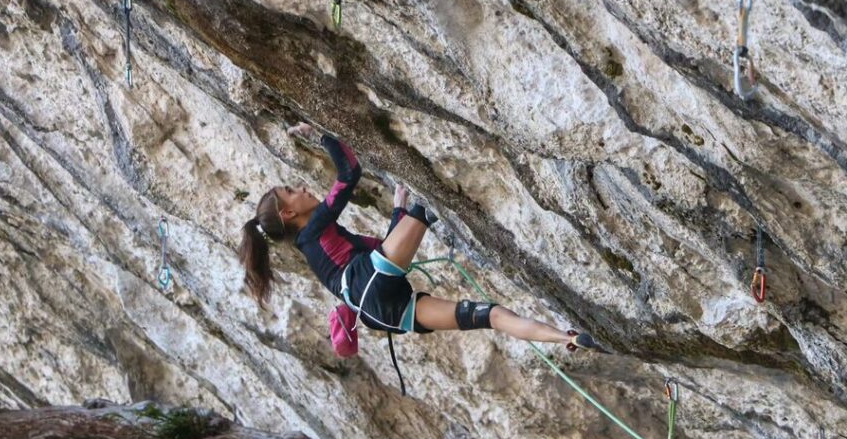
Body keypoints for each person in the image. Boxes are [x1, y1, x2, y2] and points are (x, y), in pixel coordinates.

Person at [238, 123, 599, 350]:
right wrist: (321, 134)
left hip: (383, 312)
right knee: (430, 198)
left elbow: (381, 252)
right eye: (291, 189)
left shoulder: (316, 250)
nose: (300, 186)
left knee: (490, 316)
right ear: (289, 213)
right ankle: (563, 336)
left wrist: (399, 211)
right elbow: (349, 172)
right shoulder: (314, 225)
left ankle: (568, 338)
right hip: (372, 281)